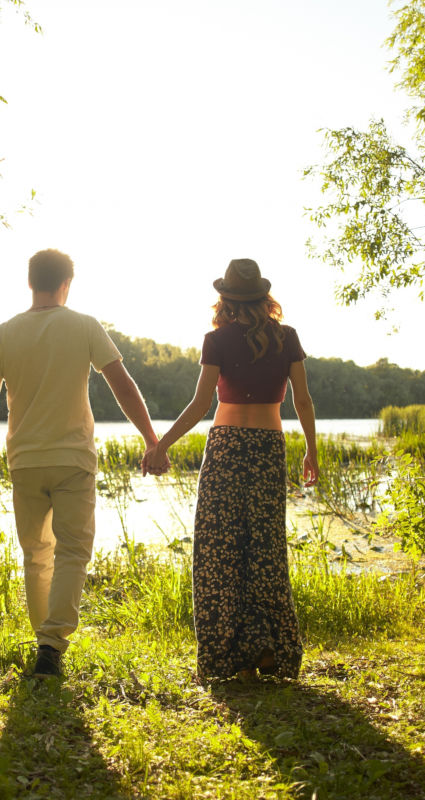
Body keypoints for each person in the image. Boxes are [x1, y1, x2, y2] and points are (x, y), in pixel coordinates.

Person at [0, 248, 167, 678]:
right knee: (73, 551)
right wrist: (152, 439)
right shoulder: (85, 326)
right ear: (67, 284)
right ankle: (51, 645)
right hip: (73, 459)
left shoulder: (4, 333)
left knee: (36, 553)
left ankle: (45, 640)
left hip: (24, 460)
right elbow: (123, 384)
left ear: (29, 282)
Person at [143, 258, 318, 681]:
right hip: (267, 448)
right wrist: (312, 451)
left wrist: (160, 445)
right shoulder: (288, 338)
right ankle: (267, 647)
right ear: (263, 297)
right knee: (264, 549)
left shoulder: (216, 340)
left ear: (226, 300)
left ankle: (229, 656)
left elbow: (201, 404)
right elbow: (304, 401)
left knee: (219, 551)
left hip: (225, 449)